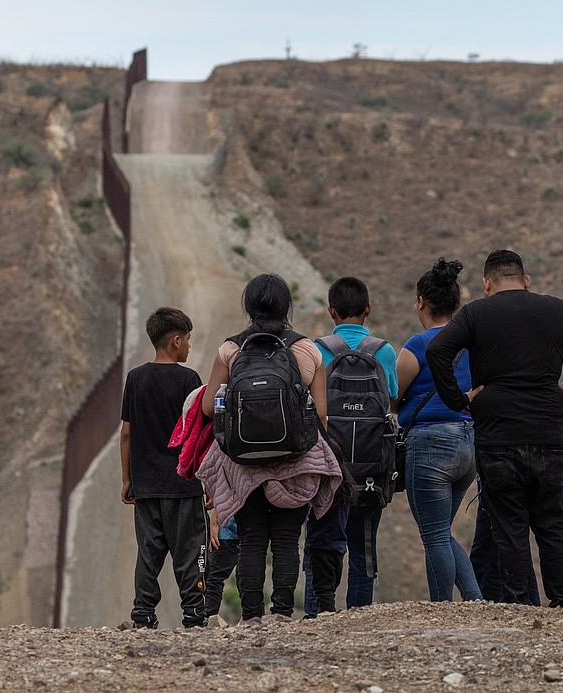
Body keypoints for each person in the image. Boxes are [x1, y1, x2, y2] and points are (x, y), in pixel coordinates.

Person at [426, 250, 563, 608]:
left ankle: (519, 608)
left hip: (496, 435)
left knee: (509, 529)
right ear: (526, 281)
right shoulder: (558, 309)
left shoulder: (475, 314)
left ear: (486, 284)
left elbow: (437, 350)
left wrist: (459, 399)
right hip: (545, 432)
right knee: (553, 525)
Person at [196, 274, 342, 626]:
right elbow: (321, 413)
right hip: (295, 461)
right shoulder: (306, 350)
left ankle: (250, 617)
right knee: (287, 541)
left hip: (244, 465)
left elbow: (206, 408)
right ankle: (280, 614)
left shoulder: (231, 350)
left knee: (250, 541)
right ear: (285, 306)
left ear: (248, 306)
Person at [304, 276, 399, 616]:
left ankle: (315, 616)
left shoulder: (316, 349)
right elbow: (390, 400)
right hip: (371, 470)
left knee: (318, 544)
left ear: (331, 312)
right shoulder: (383, 351)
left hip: (326, 469)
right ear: (368, 309)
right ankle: (358, 619)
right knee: (364, 550)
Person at [396, 258, 482, 602]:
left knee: (433, 535)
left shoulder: (417, 346)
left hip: (430, 445)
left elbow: (393, 397)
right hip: (469, 444)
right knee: (441, 531)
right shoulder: (473, 346)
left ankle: (442, 608)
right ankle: (474, 599)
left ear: (421, 302)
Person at [120, 307, 207, 629]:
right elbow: (197, 435)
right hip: (184, 486)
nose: (189, 346)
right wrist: (207, 482)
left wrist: (127, 478)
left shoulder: (135, 378)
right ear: (175, 340)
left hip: (146, 484)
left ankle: (143, 614)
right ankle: (195, 613)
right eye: (187, 340)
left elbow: (127, 433)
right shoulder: (189, 380)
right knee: (192, 552)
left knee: (148, 553)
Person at [204, 514, 239, 623]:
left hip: (227, 532)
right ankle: (255, 617)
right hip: (254, 533)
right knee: (250, 578)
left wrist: (214, 519)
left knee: (213, 578)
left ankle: (209, 618)